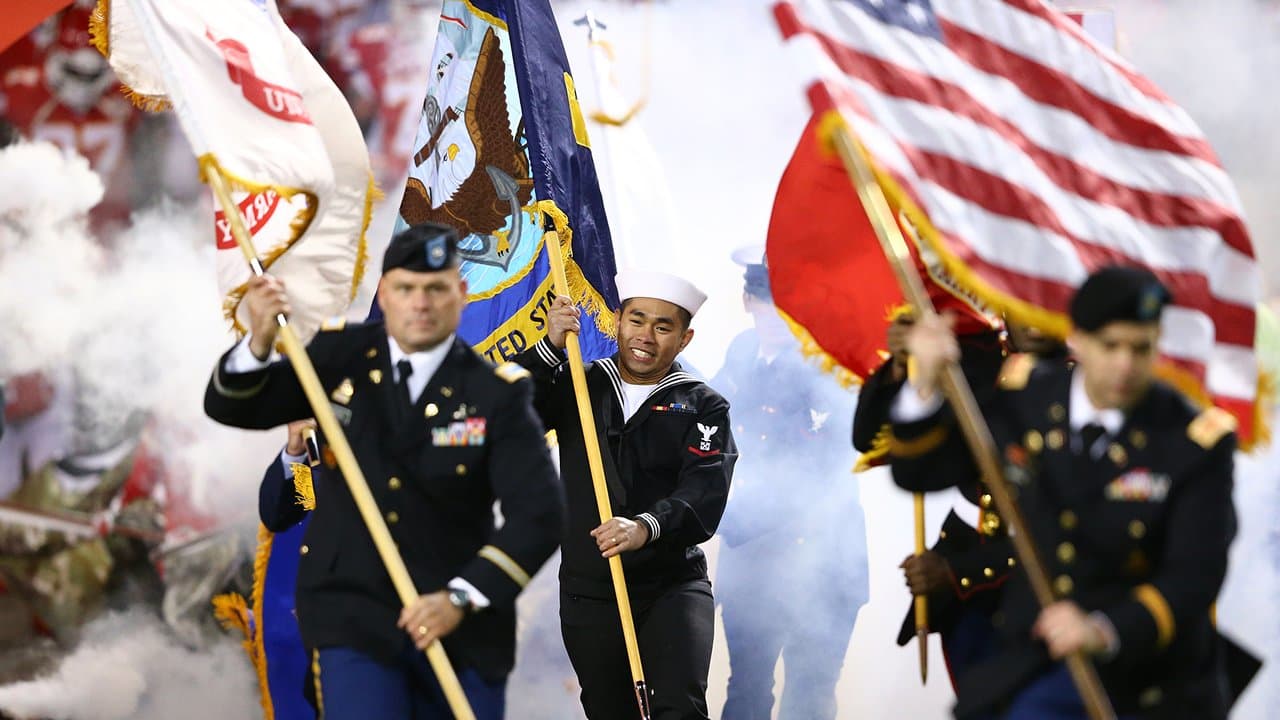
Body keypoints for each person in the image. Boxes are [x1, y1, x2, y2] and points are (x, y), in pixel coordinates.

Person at [204, 223, 565, 720]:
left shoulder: (496, 394)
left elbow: (540, 514)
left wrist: (462, 597)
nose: (420, 304)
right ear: (385, 292)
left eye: (435, 288)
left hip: (461, 634)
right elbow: (236, 411)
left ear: (461, 294)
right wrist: (260, 340)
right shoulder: (336, 360)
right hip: (353, 622)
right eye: (405, 288)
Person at [888, 266, 1238, 719]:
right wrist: (924, 385)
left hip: (1147, 674)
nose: (1125, 366)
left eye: (1141, 348)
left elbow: (1195, 575)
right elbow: (922, 472)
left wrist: (1103, 630)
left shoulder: (1193, 440)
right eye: (1111, 346)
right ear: (1079, 339)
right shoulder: (1027, 397)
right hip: (1035, 661)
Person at [512, 269, 737, 720]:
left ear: (685, 338)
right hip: (590, 589)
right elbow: (503, 410)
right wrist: (548, 346)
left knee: (679, 708)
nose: (646, 336)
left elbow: (705, 490)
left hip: (672, 585)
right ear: (617, 320)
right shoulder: (579, 382)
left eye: (663, 326)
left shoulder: (703, 405)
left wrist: (645, 527)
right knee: (608, 710)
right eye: (636, 320)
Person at [713, 248, 868, 720]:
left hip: (823, 562)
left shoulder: (831, 364)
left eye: (789, 303)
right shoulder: (741, 351)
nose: (777, 315)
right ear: (747, 301)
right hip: (752, 568)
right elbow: (708, 419)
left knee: (810, 696)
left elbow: (830, 466)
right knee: (746, 693)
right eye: (766, 301)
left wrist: (721, 517)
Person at [853, 311, 1009, 685]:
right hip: (968, 551)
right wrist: (904, 368)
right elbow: (870, 438)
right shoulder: (974, 353)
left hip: (1046, 574)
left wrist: (959, 573)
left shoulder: (1086, 373)